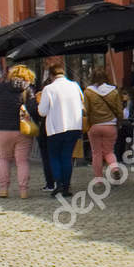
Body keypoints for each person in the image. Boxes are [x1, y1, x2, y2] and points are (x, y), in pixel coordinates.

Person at [0, 65, 41, 199]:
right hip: (22, 130)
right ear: (28, 77)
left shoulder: (1, 87)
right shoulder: (28, 89)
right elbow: (33, 110)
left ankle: (3, 189)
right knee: (22, 161)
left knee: (4, 159)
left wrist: (0, 118)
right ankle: (23, 191)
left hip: (3, 129)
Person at [36, 62, 84, 198]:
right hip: (74, 126)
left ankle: (60, 184)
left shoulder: (49, 89)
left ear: (51, 75)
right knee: (67, 156)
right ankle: (67, 185)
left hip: (56, 127)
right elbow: (82, 104)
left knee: (55, 156)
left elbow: (42, 112)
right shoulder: (75, 86)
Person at [82, 65, 124, 182]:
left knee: (96, 153)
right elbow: (119, 110)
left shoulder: (88, 92)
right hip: (110, 125)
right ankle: (114, 168)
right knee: (109, 151)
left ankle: (98, 179)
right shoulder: (114, 91)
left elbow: (86, 110)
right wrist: (119, 122)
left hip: (94, 126)